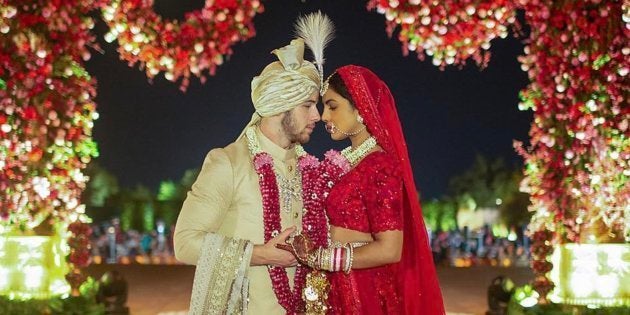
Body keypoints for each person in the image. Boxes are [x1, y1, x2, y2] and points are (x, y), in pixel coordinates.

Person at [173, 13, 334, 314]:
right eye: (309, 105)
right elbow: (184, 243)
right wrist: (259, 254)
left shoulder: (311, 170)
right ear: (279, 105)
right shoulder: (228, 163)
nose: (318, 116)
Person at [283, 65, 445, 314]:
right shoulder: (348, 161)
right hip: (336, 285)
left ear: (360, 109)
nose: (324, 116)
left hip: (362, 291)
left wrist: (323, 258)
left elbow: (390, 249)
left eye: (332, 106)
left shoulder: (380, 165)